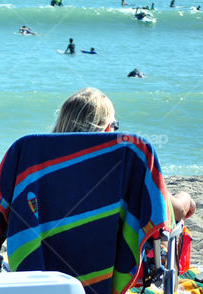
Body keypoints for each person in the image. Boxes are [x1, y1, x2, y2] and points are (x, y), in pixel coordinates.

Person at [52, 88, 195, 222]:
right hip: (116, 248)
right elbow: (177, 211)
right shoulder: (126, 162)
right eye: (115, 124)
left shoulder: (45, 166)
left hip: (52, 247)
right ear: (108, 128)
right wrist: (186, 198)